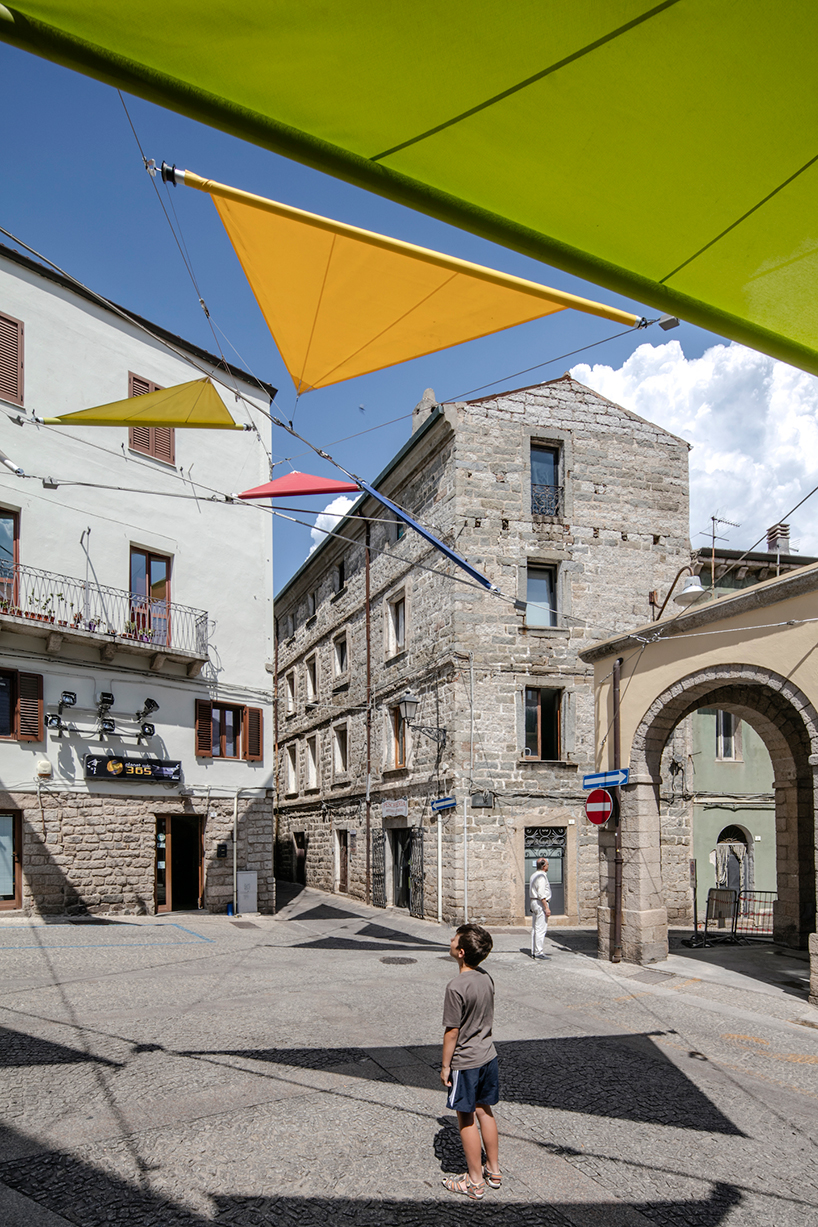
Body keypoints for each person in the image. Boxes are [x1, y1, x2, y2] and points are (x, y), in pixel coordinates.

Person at [440, 923, 501, 1200]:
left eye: (454, 939)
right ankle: (494, 1170)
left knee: (465, 1118)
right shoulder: (486, 978)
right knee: (484, 1110)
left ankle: (475, 1181)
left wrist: (445, 1066)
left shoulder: (456, 987)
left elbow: (452, 1032)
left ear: (461, 952)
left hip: (465, 1061)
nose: (450, 940)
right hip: (488, 1056)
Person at [529, 856, 551, 959]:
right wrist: (546, 907)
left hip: (534, 901)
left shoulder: (534, 875)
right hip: (539, 903)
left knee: (535, 927)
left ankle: (534, 950)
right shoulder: (541, 877)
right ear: (544, 866)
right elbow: (541, 894)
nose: (548, 866)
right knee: (541, 928)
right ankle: (538, 952)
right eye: (547, 864)